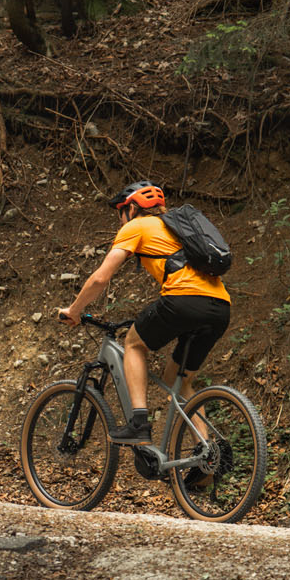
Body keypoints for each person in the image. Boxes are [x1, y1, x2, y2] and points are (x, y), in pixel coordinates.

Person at [58, 180, 231, 443]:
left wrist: (74, 310)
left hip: (183, 300)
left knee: (134, 343)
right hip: (220, 308)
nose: (120, 219)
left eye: (120, 212)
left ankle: (139, 423)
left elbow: (100, 279)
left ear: (133, 208)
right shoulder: (179, 229)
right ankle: (206, 456)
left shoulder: (137, 226)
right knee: (177, 380)